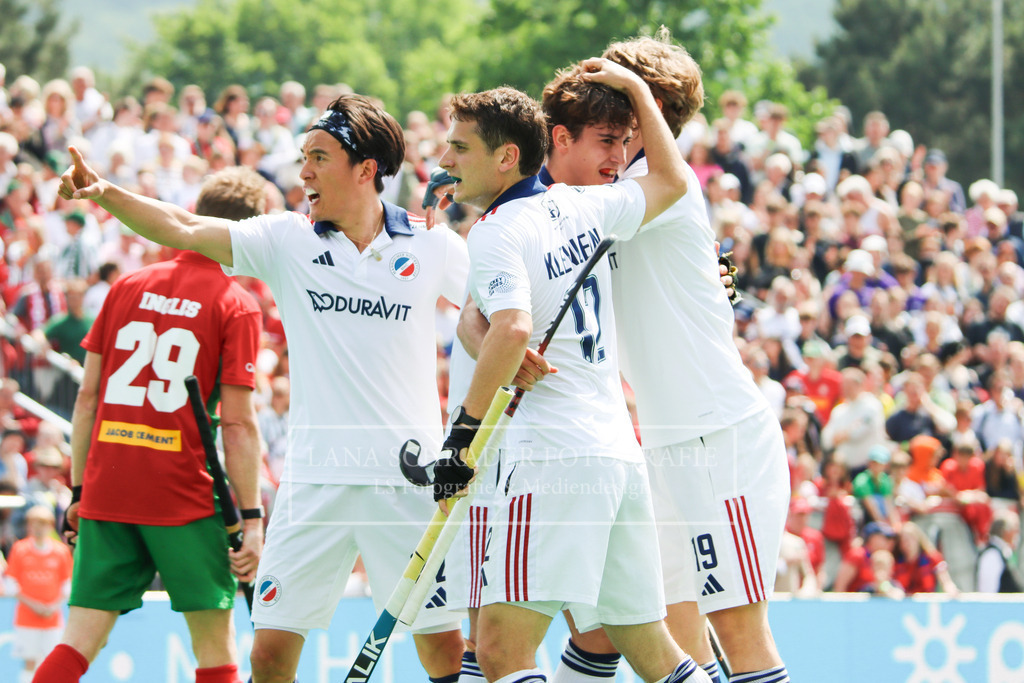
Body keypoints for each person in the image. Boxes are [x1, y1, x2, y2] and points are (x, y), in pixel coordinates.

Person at [57, 93, 470, 683]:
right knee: (269, 657)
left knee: (443, 653)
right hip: (312, 484)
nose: (303, 172)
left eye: (319, 157)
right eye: (303, 156)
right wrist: (105, 192)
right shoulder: (287, 239)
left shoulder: (431, 246)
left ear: (366, 169)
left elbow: (492, 307)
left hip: (406, 481)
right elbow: (182, 224)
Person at [436, 58, 711, 683]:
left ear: (506, 157)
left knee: (500, 651)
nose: (448, 162)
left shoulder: (497, 229)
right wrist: (640, 93)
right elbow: (670, 179)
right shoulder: (590, 207)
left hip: (552, 460)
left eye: (460, 148)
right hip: (616, 457)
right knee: (653, 651)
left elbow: (509, 327)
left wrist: (461, 441)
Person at [34, 167, 267, 683]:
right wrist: (250, 518)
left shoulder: (127, 286)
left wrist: (78, 490)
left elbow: (87, 398)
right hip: (183, 491)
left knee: (78, 642)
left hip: (108, 485)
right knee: (214, 648)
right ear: (249, 233)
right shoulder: (236, 304)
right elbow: (239, 425)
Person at [5, 505, 74, 683]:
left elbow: (67, 585)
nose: (38, 528)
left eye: (42, 523)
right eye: (34, 523)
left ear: (50, 525)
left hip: (52, 619)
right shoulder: (20, 549)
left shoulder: (60, 551)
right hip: (27, 618)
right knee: (29, 661)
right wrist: (33, 604)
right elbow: (11, 585)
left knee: (50, 662)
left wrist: (52, 605)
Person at [977, 508, 1023, 592]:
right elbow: (987, 592)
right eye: (1015, 529)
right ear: (1006, 531)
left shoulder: (1004, 553)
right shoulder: (992, 555)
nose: (1017, 534)